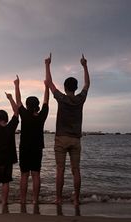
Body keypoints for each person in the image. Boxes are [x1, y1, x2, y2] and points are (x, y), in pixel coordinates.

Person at [44, 53, 90, 206]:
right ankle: (76, 199)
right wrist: (85, 66)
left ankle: (58, 199)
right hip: (76, 139)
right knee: (76, 170)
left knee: (60, 170)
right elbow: (87, 85)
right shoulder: (80, 99)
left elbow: (49, 83)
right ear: (75, 88)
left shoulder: (61, 98)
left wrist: (47, 65)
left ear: (65, 87)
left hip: (61, 138)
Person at [14, 71, 49, 212]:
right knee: (36, 174)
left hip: (24, 149)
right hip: (37, 149)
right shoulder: (42, 116)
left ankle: (23, 200)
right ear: (37, 106)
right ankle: (35, 200)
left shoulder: (24, 115)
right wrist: (46, 87)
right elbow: (47, 101)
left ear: (27, 106)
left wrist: (17, 85)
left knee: (24, 175)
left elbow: (18, 101)